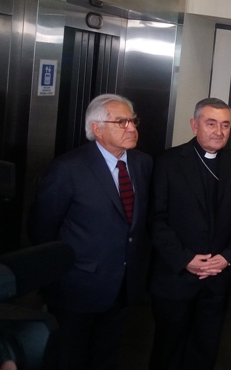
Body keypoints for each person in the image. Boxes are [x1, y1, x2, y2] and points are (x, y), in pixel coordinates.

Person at [29, 94, 152, 370]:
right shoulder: (68, 168)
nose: (131, 128)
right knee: (69, 357)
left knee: (106, 356)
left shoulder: (143, 164)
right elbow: (42, 228)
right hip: (76, 287)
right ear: (97, 128)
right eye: (121, 122)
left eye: (133, 121)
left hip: (123, 285)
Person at [148, 98, 231, 370]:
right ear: (194, 125)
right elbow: (156, 219)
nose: (219, 131)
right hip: (176, 277)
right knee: (168, 350)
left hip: (218, 278)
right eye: (211, 123)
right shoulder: (168, 161)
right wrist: (185, 259)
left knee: (206, 350)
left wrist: (227, 257)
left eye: (225, 125)